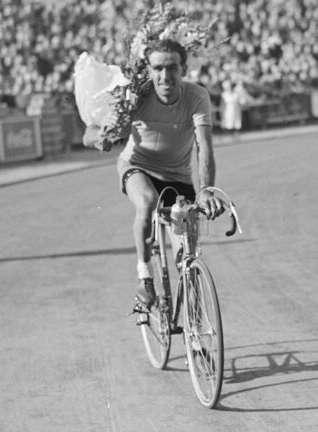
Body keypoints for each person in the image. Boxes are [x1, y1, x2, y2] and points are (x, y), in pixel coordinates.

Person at [83, 38, 223, 307]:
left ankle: (194, 323)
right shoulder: (135, 96)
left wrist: (206, 190)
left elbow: (204, 147)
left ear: (184, 70)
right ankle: (145, 277)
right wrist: (102, 136)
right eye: (158, 68)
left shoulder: (196, 96)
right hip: (138, 167)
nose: (164, 76)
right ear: (148, 70)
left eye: (172, 68)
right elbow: (89, 134)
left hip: (178, 178)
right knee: (147, 202)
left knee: (187, 256)